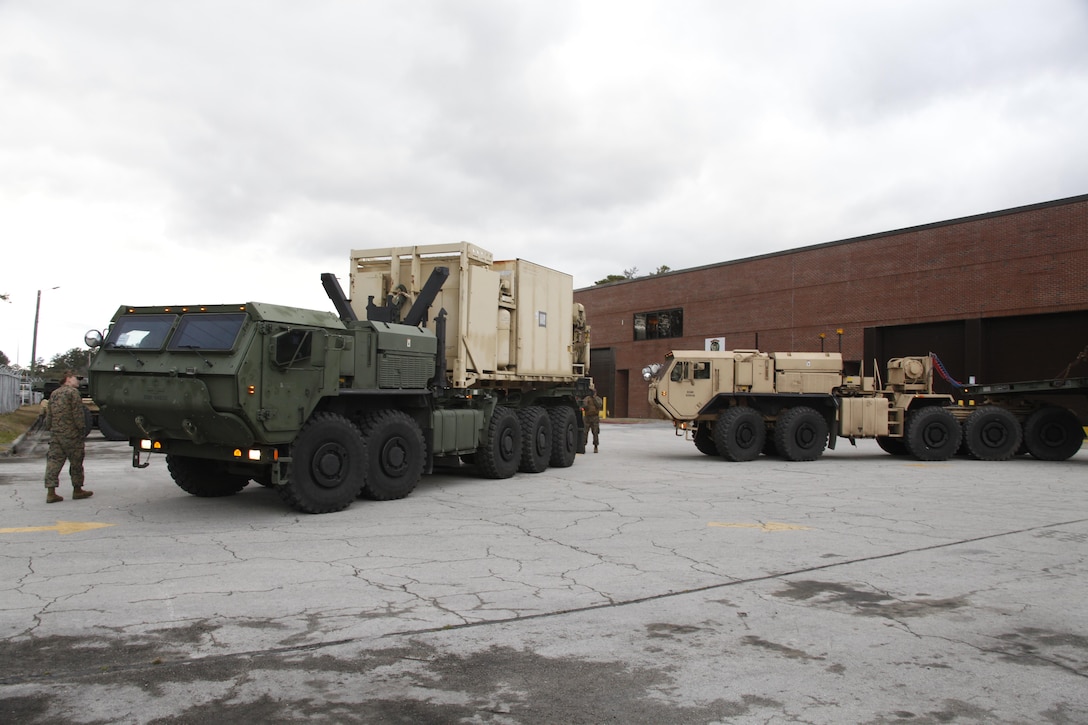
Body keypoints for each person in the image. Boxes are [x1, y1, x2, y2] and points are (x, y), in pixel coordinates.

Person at [43, 371, 93, 503]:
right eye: (76, 378)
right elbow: (77, 413)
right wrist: (81, 429)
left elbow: (49, 414)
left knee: (54, 462)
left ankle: (51, 492)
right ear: (68, 379)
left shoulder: (54, 393)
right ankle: (77, 490)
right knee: (76, 462)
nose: (78, 381)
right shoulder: (73, 393)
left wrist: (49, 428)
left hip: (56, 434)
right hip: (71, 434)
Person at [581, 385, 604, 453]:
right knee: (585, 432)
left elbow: (599, 405)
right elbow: (583, 405)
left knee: (595, 432)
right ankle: (583, 446)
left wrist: (594, 398)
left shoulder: (598, 399)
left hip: (595, 417)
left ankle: (595, 446)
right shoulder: (587, 398)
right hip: (587, 417)